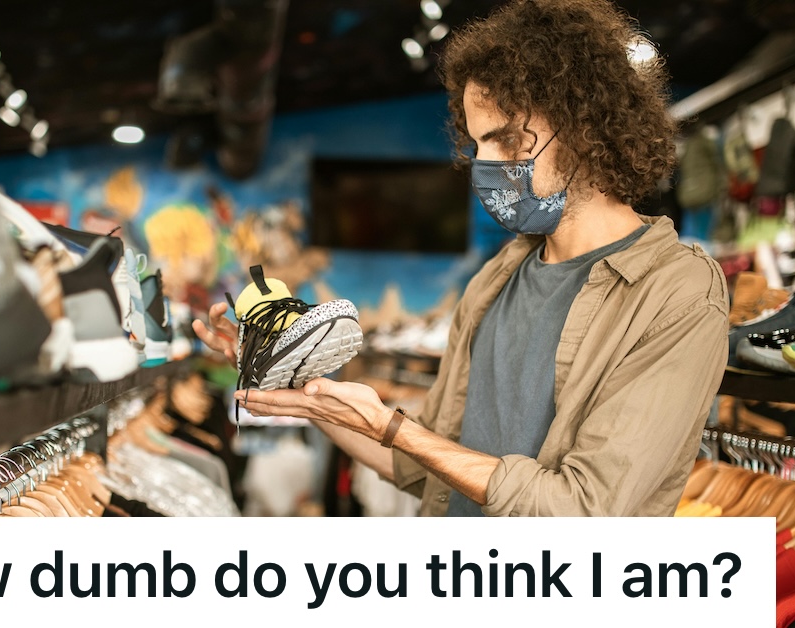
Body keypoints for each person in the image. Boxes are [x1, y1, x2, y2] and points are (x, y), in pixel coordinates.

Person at [193, 0, 728, 517]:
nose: (483, 166)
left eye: (505, 140)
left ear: (584, 124)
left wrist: (396, 429)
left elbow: (586, 509)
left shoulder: (676, 291)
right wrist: (293, 385)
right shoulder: (495, 280)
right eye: (476, 145)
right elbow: (423, 463)